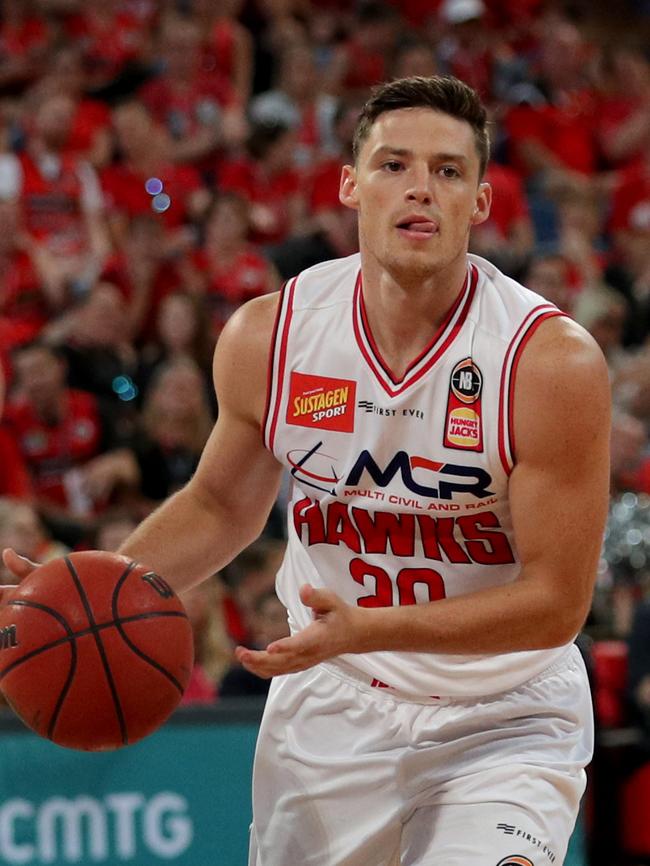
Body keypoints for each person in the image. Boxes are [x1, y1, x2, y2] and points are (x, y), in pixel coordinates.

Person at [2, 76, 611, 866]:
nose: (420, 188)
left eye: (449, 171)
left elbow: (555, 604)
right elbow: (222, 506)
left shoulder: (548, 363)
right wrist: (85, 592)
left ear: (482, 203)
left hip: (501, 715)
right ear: (350, 186)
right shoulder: (272, 336)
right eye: (394, 165)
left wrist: (371, 628)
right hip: (333, 710)